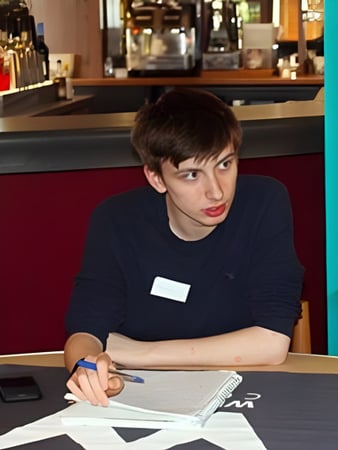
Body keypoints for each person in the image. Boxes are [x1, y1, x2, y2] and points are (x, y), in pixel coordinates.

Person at [64, 88, 304, 406]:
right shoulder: (116, 221)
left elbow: (272, 344)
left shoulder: (264, 203)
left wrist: (136, 352)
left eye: (225, 164)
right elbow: (85, 334)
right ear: (157, 178)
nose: (216, 191)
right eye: (192, 175)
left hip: (249, 392)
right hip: (142, 397)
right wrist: (87, 367)